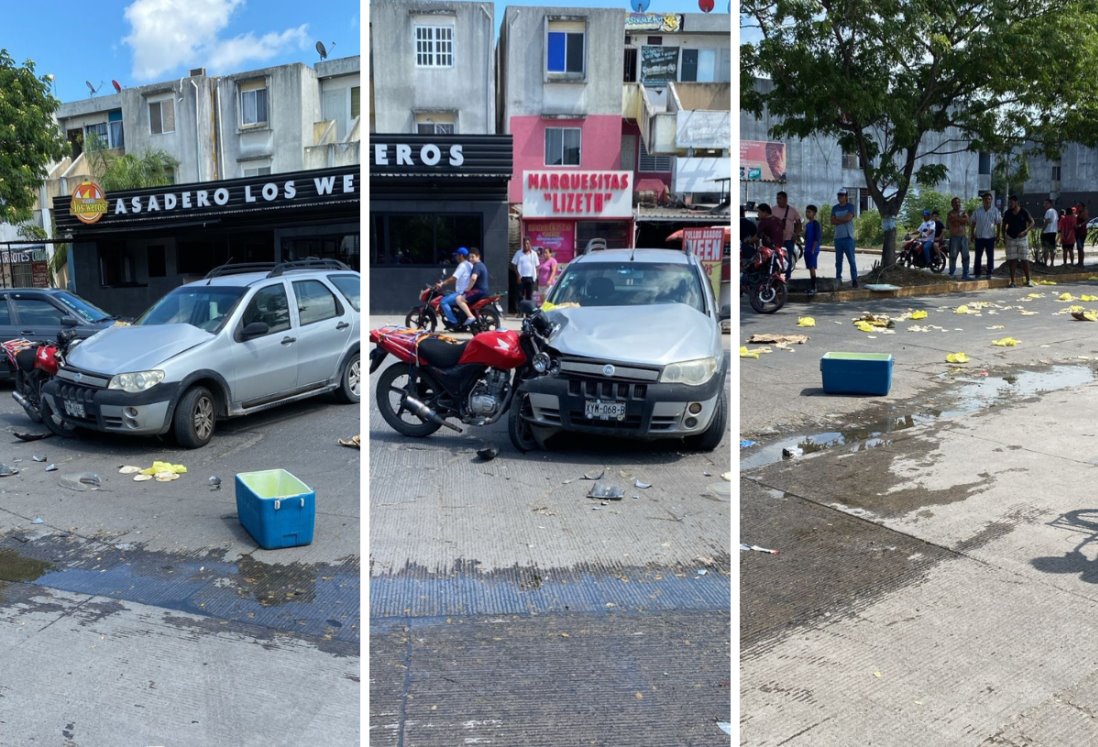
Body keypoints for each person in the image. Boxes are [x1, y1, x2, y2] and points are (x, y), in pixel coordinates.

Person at [1002, 194, 1034, 287]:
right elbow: (1004, 226)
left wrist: (1025, 231)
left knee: (1024, 260)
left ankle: (1028, 280)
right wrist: (1003, 237)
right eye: (1009, 203)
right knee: (1012, 260)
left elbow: (1032, 222)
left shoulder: (1024, 211)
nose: (1010, 204)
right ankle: (1012, 281)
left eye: (1012, 202)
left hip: (1022, 238)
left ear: (1016, 202)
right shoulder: (1007, 213)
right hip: (1010, 238)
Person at [436, 247, 472, 327]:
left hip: (461, 293)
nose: (455, 257)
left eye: (457, 255)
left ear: (461, 256)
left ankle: (454, 322)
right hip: (467, 292)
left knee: (443, 301)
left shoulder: (462, 265)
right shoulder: (469, 264)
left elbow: (453, 278)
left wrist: (442, 283)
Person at [971, 192, 1001, 279]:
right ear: (983, 201)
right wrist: (972, 234)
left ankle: (990, 272)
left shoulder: (995, 211)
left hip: (990, 237)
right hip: (979, 237)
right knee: (978, 256)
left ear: (991, 200)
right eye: (985, 199)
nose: (987, 201)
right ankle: (977, 273)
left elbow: (998, 223)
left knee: (990, 256)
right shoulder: (977, 211)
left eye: (989, 199)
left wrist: (998, 235)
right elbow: (973, 223)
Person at [831, 189, 858, 287]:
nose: (840, 197)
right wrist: (842, 220)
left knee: (851, 260)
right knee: (838, 261)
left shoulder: (850, 206)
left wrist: (838, 219)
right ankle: (838, 279)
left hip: (848, 237)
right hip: (838, 237)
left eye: (842, 195)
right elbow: (832, 221)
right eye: (839, 195)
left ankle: (854, 279)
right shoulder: (835, 208)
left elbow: (848, 218)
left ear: (846, 196)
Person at [456, 248, 489, 326]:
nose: (471, 259)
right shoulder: (482, 265)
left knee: (459, 299)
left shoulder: (477, 266)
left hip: (478, 291)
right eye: (470, 257)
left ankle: (470, 316)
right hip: (483, 290)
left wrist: (467, 289)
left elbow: (473, 278)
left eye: (473, 257)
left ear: (478, 257)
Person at [775, 190, 802, 280]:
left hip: (789, 239)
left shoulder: (792, 210)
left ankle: (788, 277)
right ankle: (776, 277)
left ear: (786, 199)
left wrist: (796, 234)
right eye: (777, 198)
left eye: (780, 198)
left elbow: (799, 223)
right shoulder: (773, 210)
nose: (778, 200)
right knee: (775, 258)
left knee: (788, 258)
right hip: (776, 239)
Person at [946, 197, 972, 280]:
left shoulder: (963, 212)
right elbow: (952, 221)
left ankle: (965, 274)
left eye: (958, 202)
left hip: (963, 237)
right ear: (952, 204)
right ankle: (951, 273)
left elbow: (967, 221)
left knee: (965, 256)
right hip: (954, 237)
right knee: (953, 256)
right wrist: (961, 219)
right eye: (955, 202)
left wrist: (957, 218)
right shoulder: (950, 213)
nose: (957, 204)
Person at [802, 204, 822, 296]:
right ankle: (812, 287)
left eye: (809, 212)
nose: (807, 213)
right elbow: (806, 238)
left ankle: (814, 287)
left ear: (814, 213)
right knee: (810, 268)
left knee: (812, 267)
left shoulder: (815, 224)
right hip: (807, 249)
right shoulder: (807, 225)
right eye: (806, 211)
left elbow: (816, 238)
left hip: (813, 249)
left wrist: (813, 249)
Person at [1041, 198, 1058, 266]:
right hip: (1053, 231)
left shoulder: (1048, 211)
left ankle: (1045, 263)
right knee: (1052, 248)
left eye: (1046, 203)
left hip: (1047, 232)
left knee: (1045, 248)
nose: (1044, 205)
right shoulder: (1055, 211)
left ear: (1050, 204)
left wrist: (1042, 230)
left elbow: (1047, 221)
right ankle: (1052, 263)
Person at [1076, 202, 1089, 266]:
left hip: (1082, 232)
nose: (1078, 207)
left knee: (1080, 247)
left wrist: (1080, 225)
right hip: (1078, 232)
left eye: (1079, 206)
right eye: (1077, 206)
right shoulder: (1078, 212)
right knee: (1079, 248)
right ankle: (1079, 262)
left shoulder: (1084, 212)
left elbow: (1086, 220)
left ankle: (1081, 262)